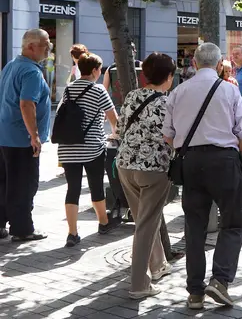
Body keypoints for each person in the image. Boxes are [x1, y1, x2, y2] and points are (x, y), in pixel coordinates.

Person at [162, 43, 242, 309]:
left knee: (194, 227)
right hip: (224, 161)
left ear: (194, 62)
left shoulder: (178, 92)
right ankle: (220, 281)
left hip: (190, 162)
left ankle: (195, 293)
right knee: (233, 223)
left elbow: (168, 136)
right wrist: (237, 156)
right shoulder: (229, 90)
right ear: (219, 62)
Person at [116, 52, 177, 299]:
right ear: (169, 77)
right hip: (153, 170)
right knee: (146, 225)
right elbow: (173, 138)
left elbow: (120, 129)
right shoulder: (168, 103)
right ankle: (139, 284)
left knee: (143, 218)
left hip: (124, 165)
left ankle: (158, 264)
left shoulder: (132, 96)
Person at [58, 53, 120, 247]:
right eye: (99, 70)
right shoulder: (98, 90)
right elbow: (114, 119)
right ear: (94, 70)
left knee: (72, 188)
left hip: (67, 148)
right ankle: (103, 222)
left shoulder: (68, 89)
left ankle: (72, 233)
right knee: (95, 185)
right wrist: (115, 134)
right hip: (92, 147)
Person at [0, 29, 52, 242]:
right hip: (21, 139)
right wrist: (35, 136)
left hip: (5, 136)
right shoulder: (31, 71)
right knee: (24, 185)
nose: (49, 48)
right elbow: (26, 103)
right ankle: (22, 229)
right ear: (31, 47)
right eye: (45, 45)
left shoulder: (11, 65)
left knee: (4, 183)